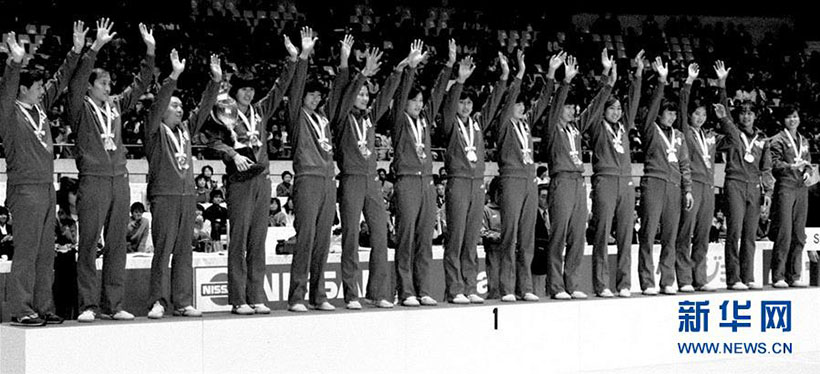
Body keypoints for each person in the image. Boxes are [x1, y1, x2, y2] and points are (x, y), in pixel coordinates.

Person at [203, 35, 298, 316]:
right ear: (236, 92)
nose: (248, 94)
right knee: (239, 240)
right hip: (240, 181)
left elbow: (280, 88)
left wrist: (292, 61)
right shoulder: (224, 112)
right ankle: (238, 298)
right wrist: (232, 154)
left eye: (251, 90)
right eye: (243, 89)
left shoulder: (261, 111)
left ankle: (256, 295)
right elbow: (211, 141)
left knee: (258, 240)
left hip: (262, 180)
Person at [69, 19, 156, 322]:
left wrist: (150, 52)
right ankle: (88, 305)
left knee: (117, 245)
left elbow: (141, 85)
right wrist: (94, 48)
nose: (108, 87)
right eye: (102, 83)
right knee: (90, 243)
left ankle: (113, 304)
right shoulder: (79, 107)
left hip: (119, 180)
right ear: (90, 86)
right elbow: (76, 79)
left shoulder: (116, 106)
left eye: (109, 83)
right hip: (92, 180)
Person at [1, 23, 86, 326]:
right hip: (24, 188)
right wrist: (15, 61)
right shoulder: (9, 113)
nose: (41, 90)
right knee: (26, 252)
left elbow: (59, 81)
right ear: (23, 88)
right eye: (35, 87)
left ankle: (42, 305)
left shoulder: (41, 110)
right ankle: (21, 308)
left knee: (45, 253)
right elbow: (7, 86)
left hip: (46, 188)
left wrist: (76, 52)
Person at [144, 49, 220, 319]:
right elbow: (158, 104)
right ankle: (158, 301)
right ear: (162, 110)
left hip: (188, 196)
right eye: (174, 106)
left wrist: (216, 81)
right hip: (164, 195)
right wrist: (173, 78)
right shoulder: (154, 130)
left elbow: (204, 108)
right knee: (162, 252)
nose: (180, 109)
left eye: (180, 106)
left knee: (184, 252)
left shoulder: (186, 130)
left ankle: (183, 301)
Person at [331, 37, 404, 310]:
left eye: (366, 95)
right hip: (350, 179)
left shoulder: (370, 119)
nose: (363, 98)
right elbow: (343, 93)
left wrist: (397, 72)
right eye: (359, 94)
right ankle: (352, 293)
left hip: (372, 180)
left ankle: (378, 292)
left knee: (381, 236)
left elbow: (385, 98)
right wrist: (358, 72)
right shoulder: (340, 118)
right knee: (350, 236)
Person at [441, 47, 508, 305]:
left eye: (469, 103)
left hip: (477, 184)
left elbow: (492, 105)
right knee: (455, 237)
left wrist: (503, 79)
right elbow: (447, 108)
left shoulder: (478, 123)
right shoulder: (449, 124)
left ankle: (470, 286)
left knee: (471, 239)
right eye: (462, 102)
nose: (466, 107)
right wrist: (459, 82)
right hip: (458, 182)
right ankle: (454, 288)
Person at [546, 51, 613, 300]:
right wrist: (565, 81)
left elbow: (595, 107)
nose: (573, 110)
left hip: (578, 182)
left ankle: (572, 283)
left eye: (574, 106)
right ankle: (555, 285)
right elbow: (554, 105)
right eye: (569, 106)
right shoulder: (553, 127)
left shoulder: (576, 128)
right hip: (561, 180)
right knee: (559, 235)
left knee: (577, 236)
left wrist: (606, 76)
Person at [286, 27, 342, 313]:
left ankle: (318, 294)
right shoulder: (297, 117)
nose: (316, 98)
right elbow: (294, 92)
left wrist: (343, 64)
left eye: (319, 95)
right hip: (307, 179)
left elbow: (340, 94)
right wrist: (303, 58)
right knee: (305, 237)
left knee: (323, 240)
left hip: (328, 180)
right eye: (311, 95)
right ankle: (297, 296)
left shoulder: (324, 119)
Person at [390, 39, 448, 307]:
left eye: (420, 101)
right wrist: (410, 69)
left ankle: (424, 288)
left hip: (427, 183)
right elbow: (400, 96)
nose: (417, 104)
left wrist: (448, 68)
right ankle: (406, 290)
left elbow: (436, 96)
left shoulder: (424, 120)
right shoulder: (400, 121)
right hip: (407, 182)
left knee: (425, 238)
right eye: (413, 100)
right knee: (406, 238)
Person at [494, 49, 552, 302]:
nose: (521, 107)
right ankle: (507, 287)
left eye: (522, 105)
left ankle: (525, 286)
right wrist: (518, 73)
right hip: (511, 179)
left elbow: (541, 103)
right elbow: (508, 103)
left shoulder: (526, 124)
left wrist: (550, 76)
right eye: (517, 104)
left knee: (528, 236)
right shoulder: (504, 124)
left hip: (530, 181)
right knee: (510, 235)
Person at [588, 50, 644, 298]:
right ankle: (601, 284)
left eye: (619, 109)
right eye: (612, 109)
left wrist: (638, 73)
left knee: (625, 234)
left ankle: (624, 284)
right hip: (605, 180)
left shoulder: (624, 126)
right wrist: (605, 77)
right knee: (601, 234)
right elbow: (597, 103)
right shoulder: (597, 126)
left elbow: (634, 100)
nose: (617, 112)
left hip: (626, 181)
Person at [637, 57, 694, 296]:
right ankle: (648, 281)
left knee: (671, 235)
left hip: (675, 186)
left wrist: (688, 189)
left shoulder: (679, 136)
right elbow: (650, 109)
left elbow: (684, 164)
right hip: (653, 183)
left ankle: (667, 280)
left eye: (673, 114)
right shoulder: (650, 129)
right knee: (649, 233)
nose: (671, 117)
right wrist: (661, 82)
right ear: (659, 114)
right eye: (667, 113)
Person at [715, 61, 773, 290]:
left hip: (755, 187)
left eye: (750, 114)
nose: (747, 117)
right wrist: (722, 85)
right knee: (735, 232)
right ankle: (734, 278)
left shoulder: (763, 140)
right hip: (735, 184)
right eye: (743, 113)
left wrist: (768, 192)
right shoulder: (733, 134)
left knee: (750, 234)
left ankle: (748, 276)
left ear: (755, 117)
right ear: (739, 116)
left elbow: (766, 169)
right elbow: (724, 114)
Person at [675, 63, 718, 292]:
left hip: (709, 188)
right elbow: (681, 106)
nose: (700, 118)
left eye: (703, 114)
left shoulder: (709, 136)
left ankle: (699, 278)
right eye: (696, 113)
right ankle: (683, 279)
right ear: (690, 115)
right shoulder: (685, 132)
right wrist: (689, 82)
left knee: (703, 235)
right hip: (692, 187)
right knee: (686, 232)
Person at [767, 104, 812, 288]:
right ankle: (778, 276)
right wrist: (790, 167)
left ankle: (794, 275)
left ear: (799, 119)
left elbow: (808, 161)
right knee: (784, 231)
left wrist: (808, 171)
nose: (792, 120)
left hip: (801, 187)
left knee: (799, 233)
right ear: (783, 120)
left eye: (795, 116)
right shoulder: (777, 140)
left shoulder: (804, 140)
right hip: (785, 185)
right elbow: (774, 164)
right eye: (789, 117)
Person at [481, 177, 503, 299]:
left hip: (510, 251)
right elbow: (482, 231)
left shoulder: (509, 210)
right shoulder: (486, 210)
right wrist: (499, 236)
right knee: (494, 283)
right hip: (493, 250)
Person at [531, 184, 551, 297]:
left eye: (548, 197)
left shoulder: (554, 213)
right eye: (543, 196)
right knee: (538, 291)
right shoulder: (532, 214)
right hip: (537, 260)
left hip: (552, 260)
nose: (546, 200)